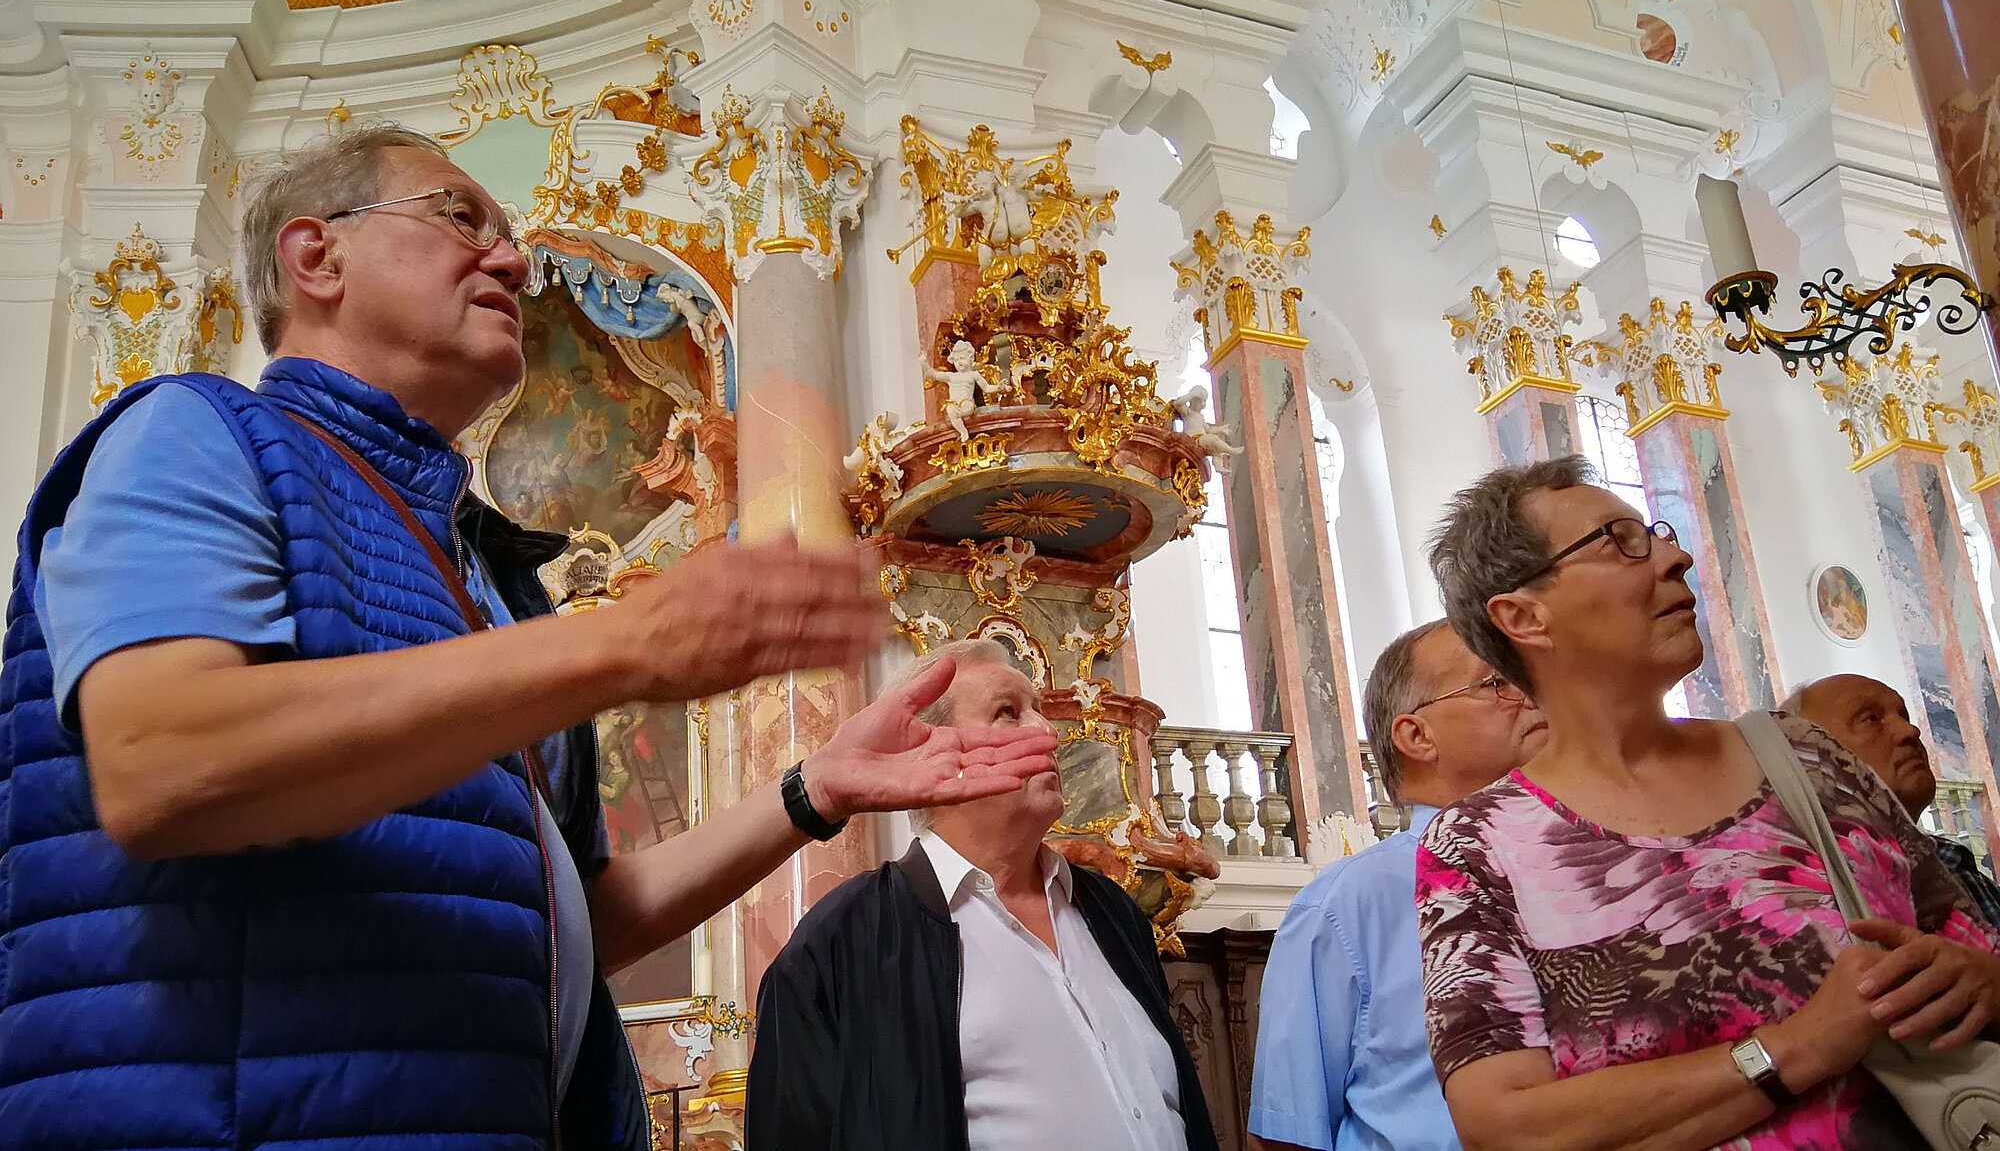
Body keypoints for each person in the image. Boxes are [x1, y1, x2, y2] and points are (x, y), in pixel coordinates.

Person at [0, 125, 1059, 1151]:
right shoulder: (188, 431)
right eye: (460, 215)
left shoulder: (483, 572)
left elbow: (574, 924)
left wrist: (812, 789)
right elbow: (160, 763)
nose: (509, 254)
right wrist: (625, 644)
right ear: (315, 254)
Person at [1419, 455, 2000, 1151]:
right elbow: (1506, 1126)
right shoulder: (1479, 844)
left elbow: (1972, 945)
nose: (1676, 557)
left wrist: (1977, 980)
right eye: (1617, 539)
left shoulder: (1806, 756)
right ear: (1524, 616)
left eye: (1656, 533)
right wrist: (1798, 1047)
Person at [746, 639, 1219, 1151]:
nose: (1048, 735)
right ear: (929, 753)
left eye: (1039, 712)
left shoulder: (1110, 909)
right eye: (1008, 713)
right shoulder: (842, 942)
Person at [1249, 620, 1547, 1151]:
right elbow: (1288, 1136)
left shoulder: (1596, 863)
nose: (1531, 693)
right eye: (1497, 680)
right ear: (1417, 736)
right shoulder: (1345, 903)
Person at [1788, 673, 2000, 927]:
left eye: (1904, 716)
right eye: (1869, 719)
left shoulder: (1951, 861)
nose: (1910, 730)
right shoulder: (1804, 899)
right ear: (1807, 761)